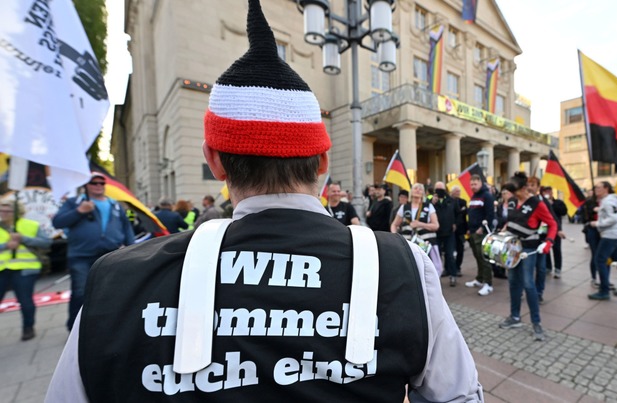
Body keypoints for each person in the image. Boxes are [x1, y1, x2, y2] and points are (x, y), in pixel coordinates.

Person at [45, 2, 483, 401]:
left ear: (214, 161)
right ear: (323, 161)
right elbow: (460, 396)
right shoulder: (403, 267)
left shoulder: (115, 281)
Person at [52, 171, 135, 331]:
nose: (98, 186)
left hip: (110, 255)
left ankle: (106, 324)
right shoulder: (74, 203)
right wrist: (79, 211)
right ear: (86, 185)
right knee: (80, 292)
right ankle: (75, 328)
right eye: (94, 183)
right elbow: (58, 222)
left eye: (101, 183)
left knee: (110, 291)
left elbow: (126, 228)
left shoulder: (114, 204)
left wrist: (131, 248)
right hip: (81, 256)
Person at [498, 173, 557, 342]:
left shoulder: (538, 204)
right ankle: (515, 317)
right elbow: (510, 221)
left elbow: (552, 224)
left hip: (528, 249)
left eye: (515, 191)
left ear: (524, 188)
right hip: (513, 248)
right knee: (513, 282)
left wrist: (548, 242)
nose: (512, 195)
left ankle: (536, 323)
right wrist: (505, 228)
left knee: (528, 284)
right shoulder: (512, 201)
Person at [0, 200, 52, 341]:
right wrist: (6, 245)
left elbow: (46, 242)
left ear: (17, 211)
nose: (3, 213)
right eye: (1, 210)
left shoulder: (31, 225)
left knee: (25, 300)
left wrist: (24, 238)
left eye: (7, 210)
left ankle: (28, 328)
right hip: (2, 268)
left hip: (26, 268)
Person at [588, 182, 617, 300]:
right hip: (614, 235)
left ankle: (604, 291)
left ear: (606, 189)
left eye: (598, 187)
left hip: (610, 235)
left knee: (600, 260)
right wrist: (600, 210)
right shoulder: (611, 200)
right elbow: (614, 214)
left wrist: (596, 223)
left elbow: (613, 218)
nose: (596, 189)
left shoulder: (608, 201)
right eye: (595, 187)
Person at [391, 183, 442, 275]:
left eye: (420, 188)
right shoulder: (404, 207)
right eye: (415, 188)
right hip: (408, 243)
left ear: (423, 193)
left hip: (426, 244)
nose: (418, 190)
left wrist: (420, 224)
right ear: (411, 191)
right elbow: (394, 224)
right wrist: (395, 236)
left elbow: (436, 225)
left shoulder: (428, 206)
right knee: (409, 269)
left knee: (428, 270)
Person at [527, 176, 557, 304]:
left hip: (541, 239)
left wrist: (554, 234)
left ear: (538, 187)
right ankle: (528, 290)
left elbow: (552, 219)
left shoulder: (543, 202)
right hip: (528, 240)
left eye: (532, 185)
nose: (529, 187)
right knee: (526, 268)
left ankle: (539, 292)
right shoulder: (523, 201)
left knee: (541, 268)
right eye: (528, 185)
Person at [464, 174, 495, 296]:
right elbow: (472, 214)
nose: (473, 186)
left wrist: (482, 228)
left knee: (484, 258)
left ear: (480, 183)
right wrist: (469, 229)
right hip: (472, 232)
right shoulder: (474, 196)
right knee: (477, 257)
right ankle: (480, 278)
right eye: (471, 184)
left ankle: (488, 283)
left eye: (475, 184)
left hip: (481, 233)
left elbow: (490, 214)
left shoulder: (486, 196)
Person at [432, 181, 459, 286]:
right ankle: (437, 277)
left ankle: (453, 275)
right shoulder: (430, 201)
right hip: (436, 233)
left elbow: (458, 214)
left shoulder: (451, 201)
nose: (440, 192)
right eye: (437, 189)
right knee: (436, 256)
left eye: (441, 189)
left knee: (450, 254)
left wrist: (455, 223)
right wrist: (431, 203)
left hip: (449, 233)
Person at [540, 186, 567, 279]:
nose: (547, 193)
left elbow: (563, 212)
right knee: (545, 248)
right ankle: (548, 266)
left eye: (549, 191)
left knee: (556, 249)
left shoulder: (558, 202)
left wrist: (552, 205)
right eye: (545, 191)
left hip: (555, 229)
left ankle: (558, 269)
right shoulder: (541, 202)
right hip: (543, 229)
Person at [493, 185, 515, 279]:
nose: (504, 195)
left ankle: (509, 268)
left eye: (506, 193)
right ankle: (500, 270)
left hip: (510, 230)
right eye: (503, 193)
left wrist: (507, 224)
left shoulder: (514, 204)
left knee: (510, 250)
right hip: (501, 229)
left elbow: (513, 217)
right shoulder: (500, 205)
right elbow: (497, 216)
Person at [582, 188, 601, 288]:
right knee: (595, 254)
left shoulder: (606, 201)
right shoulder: (590, 202)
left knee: (605, 256)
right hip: (593, 230)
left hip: (604, 231)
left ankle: (604, 278)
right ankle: (594, 277)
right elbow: (590, 212)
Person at [450, 185, 467, 278]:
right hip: (450, 230)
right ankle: (449, 268)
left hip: (460, 230)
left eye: (459, 191)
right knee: (449, 251)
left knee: (460, 249)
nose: (458, 193)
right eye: (456, 191)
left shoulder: (463, 202)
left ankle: (458, 267)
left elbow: (463, 214)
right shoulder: (448, 201)